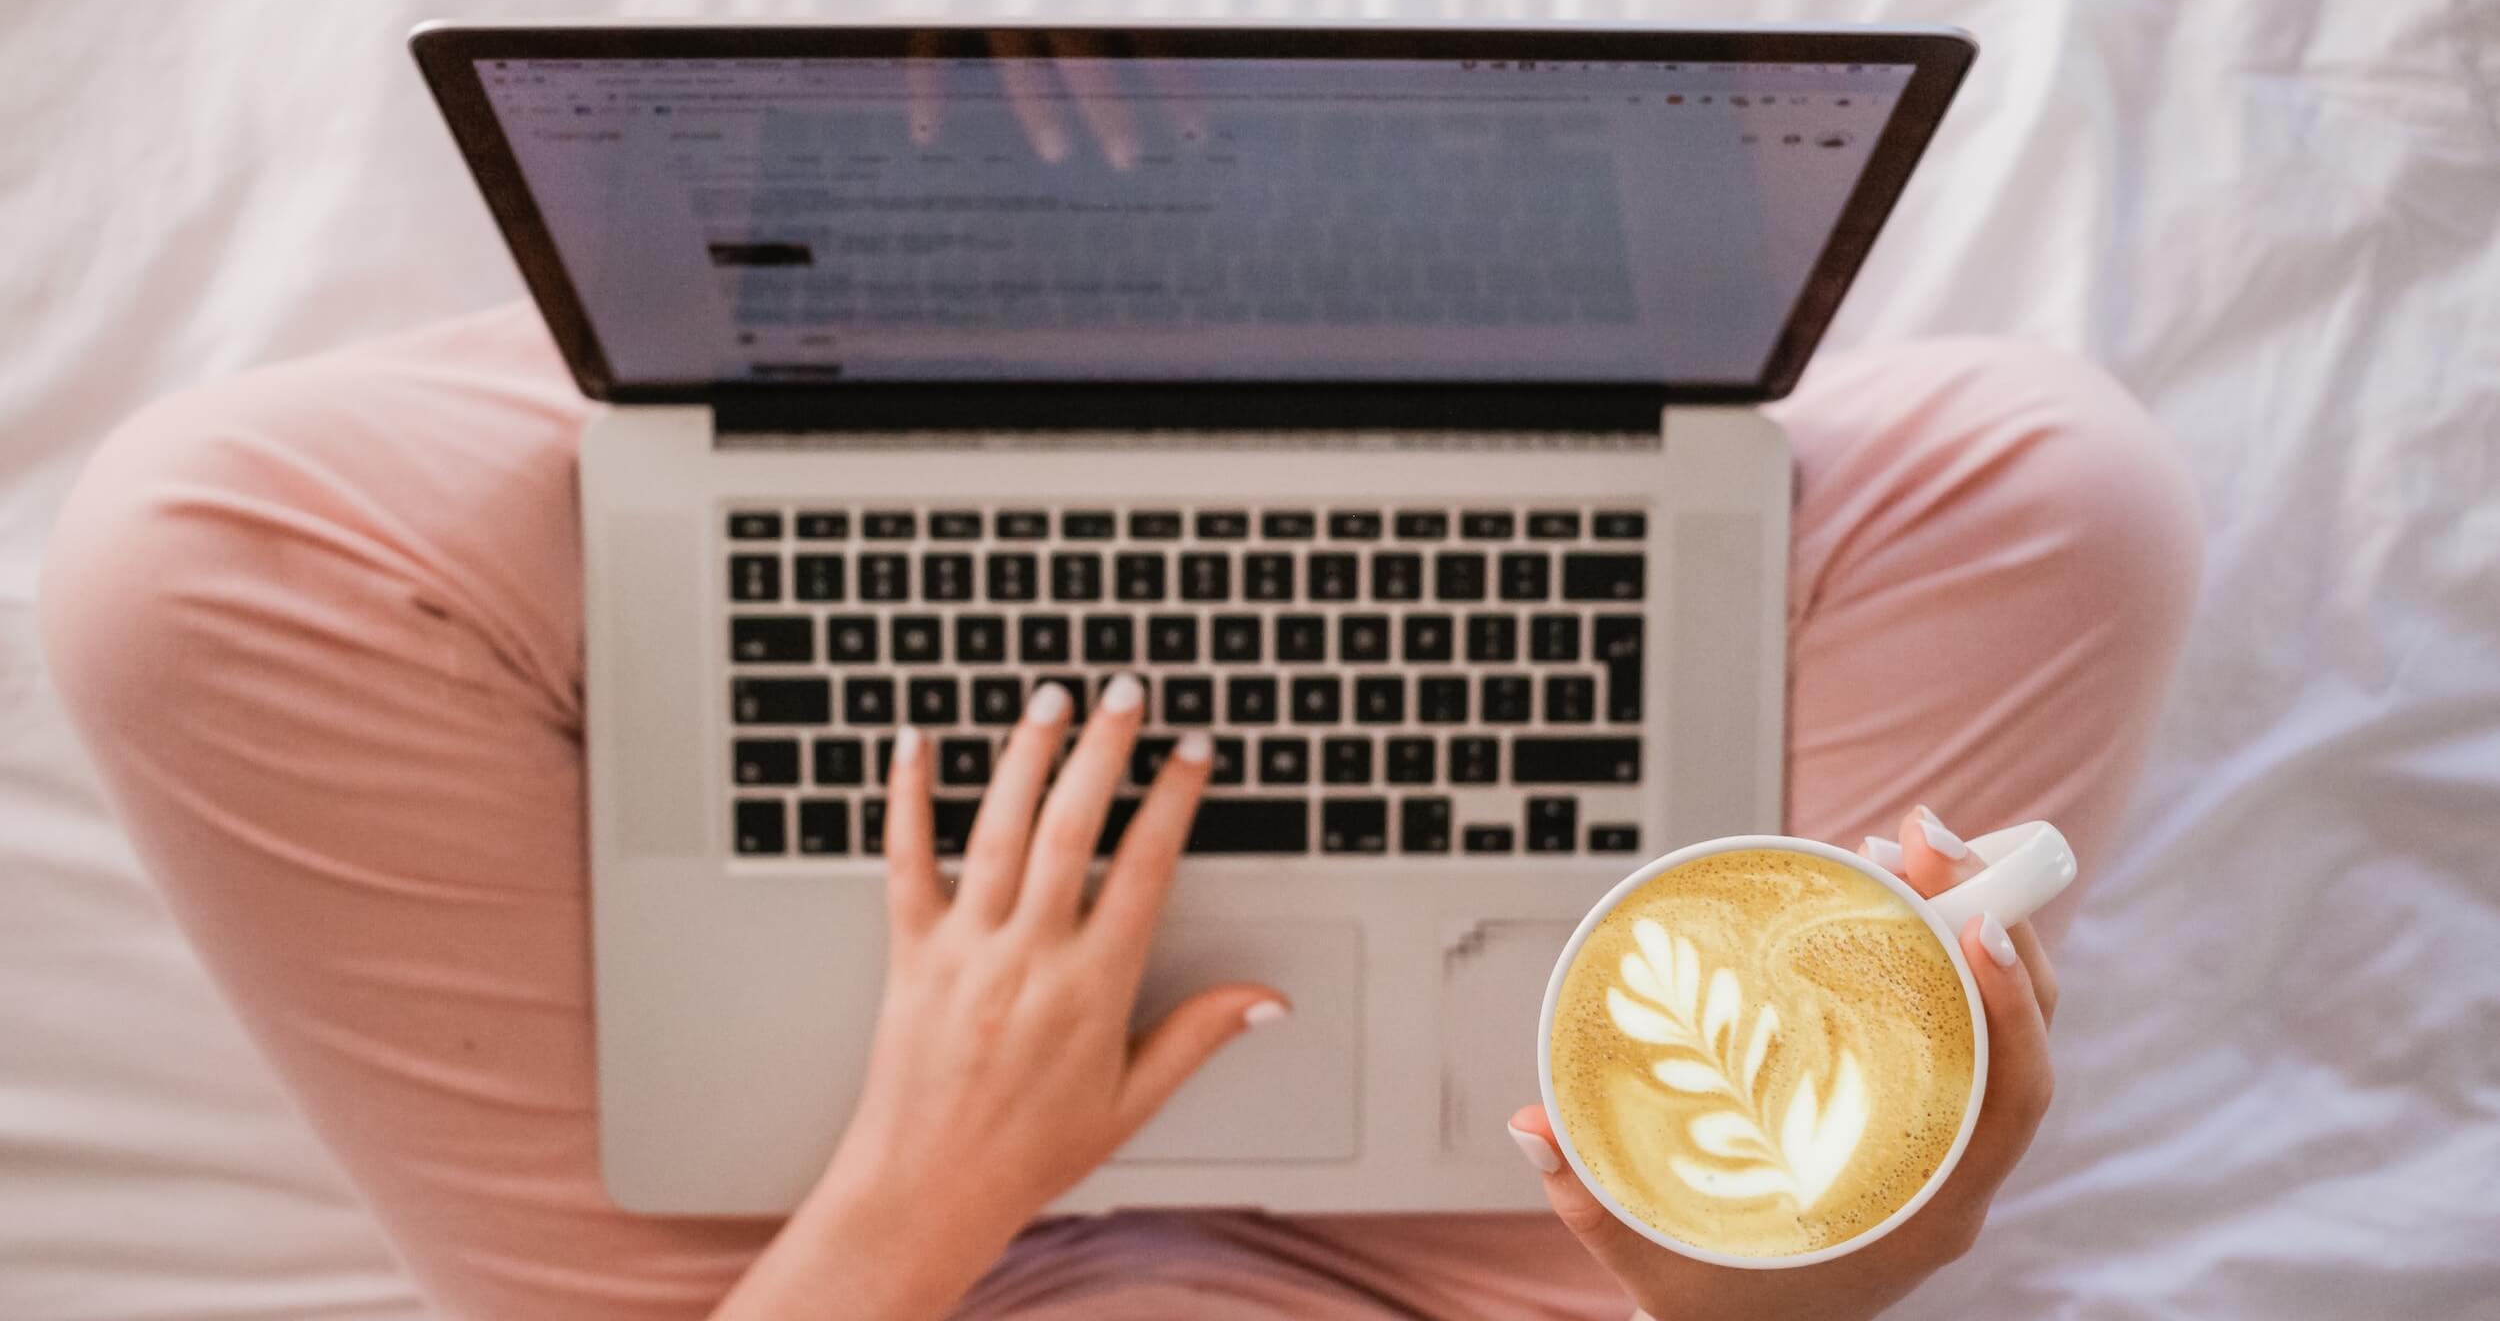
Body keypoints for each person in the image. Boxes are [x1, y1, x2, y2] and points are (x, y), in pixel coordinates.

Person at [37, 303, 2200, 1319]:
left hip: (804, 1268)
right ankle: (1316, 335)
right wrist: (1776, 1285)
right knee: (2044, 479)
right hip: (1502, 1273)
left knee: (190, 557)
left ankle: (886, 316)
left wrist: (918, 1179)